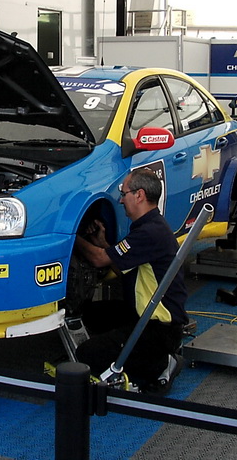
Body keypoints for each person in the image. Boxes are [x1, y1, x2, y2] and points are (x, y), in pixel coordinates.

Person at [73, 167, 187, 394]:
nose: (121, 199)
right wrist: (104, 243)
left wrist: (69, 236)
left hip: (159, 328)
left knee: (86, 354)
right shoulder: (149, 227)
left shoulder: (149, 232)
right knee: (89, 314)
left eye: (123, 193)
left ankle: (160, 364)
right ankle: (137, 351)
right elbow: (120, 262)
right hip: (141, 314)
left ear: (140, 195)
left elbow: (98, 260)